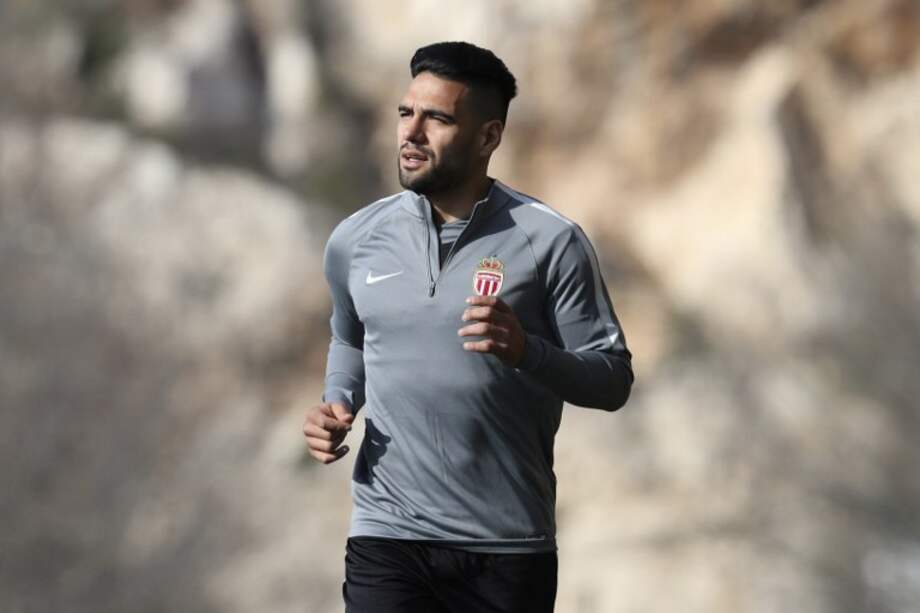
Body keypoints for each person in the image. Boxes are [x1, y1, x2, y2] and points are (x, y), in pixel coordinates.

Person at [303, 41, 634, 613]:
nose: (412, 133)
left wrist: (528, 351)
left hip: (506, 548)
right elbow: (349, 337)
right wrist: (338, 402)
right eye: (406, 113)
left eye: (437, 118)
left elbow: (612, 380)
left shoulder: (551, 241)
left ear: (489, 136)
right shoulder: (355, 239)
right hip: (388, 533)